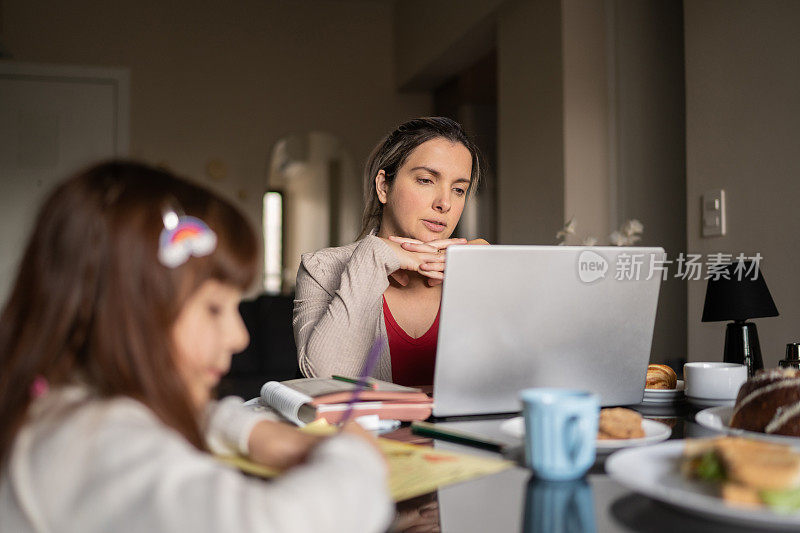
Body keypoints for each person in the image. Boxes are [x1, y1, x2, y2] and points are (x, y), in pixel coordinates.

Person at [0, 161, 392, 533]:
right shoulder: (94, 444)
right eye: (213, 308)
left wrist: (252, 433)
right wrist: (356, 458)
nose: (239, 336)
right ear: (127, 313)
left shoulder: (63, 407)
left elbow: (179, 413)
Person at [294, 117, 487, 385]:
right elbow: (324, 381)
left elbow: (530, 375)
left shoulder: (476, 269)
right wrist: (373, 256)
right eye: (425, 180)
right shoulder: (321, 269)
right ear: (384, 186)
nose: (445, 203)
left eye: (458, 189)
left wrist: (497, 272)